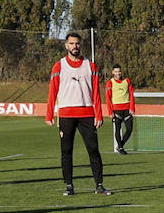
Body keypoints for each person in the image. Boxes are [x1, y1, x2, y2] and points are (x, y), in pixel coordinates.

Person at [45, 32, 111, 197]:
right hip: (66, 115)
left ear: (81, 45)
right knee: (66, 152)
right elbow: (52, 91)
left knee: (93, 150)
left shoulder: (91, 66)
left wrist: (99, 114)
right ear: (66, 45)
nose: (75, 46)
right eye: (72, 43)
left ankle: (99, 185)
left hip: (87, 113)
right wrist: (49, 114)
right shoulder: (58, 66)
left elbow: (96, 92)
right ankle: (69, 186)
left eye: (78, 44)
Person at [104, 65, 135, 154]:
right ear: (113, 72)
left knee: (129, 129)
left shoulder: (127, 81)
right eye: (116, 72)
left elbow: (131, 95)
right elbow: (108, 98)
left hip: (127, 109)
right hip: (116, 110)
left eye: (119, 71)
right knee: (118, 129)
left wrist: (132, 108)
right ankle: (121, 148)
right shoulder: (110, 83)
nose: (118, 73)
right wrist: (110, 112)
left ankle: (120, 145)